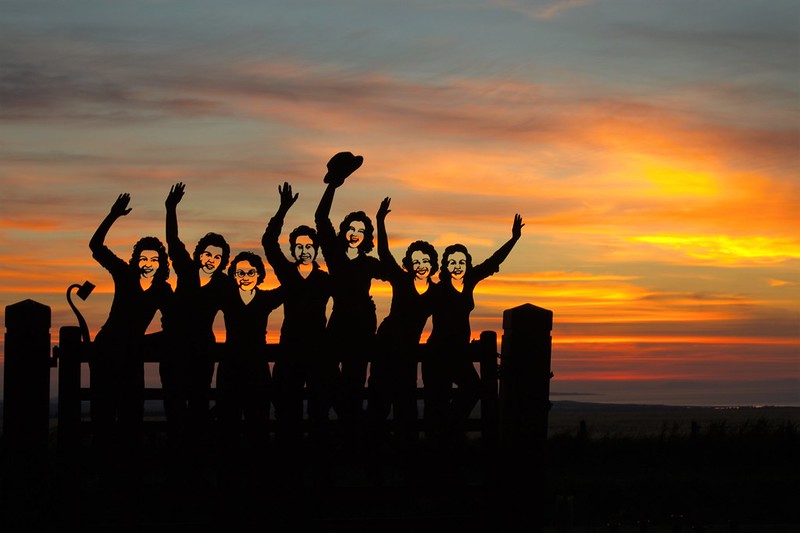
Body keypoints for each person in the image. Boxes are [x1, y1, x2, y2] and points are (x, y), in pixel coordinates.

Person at [88, 193, 173, 489]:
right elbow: (96, 247)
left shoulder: (163, 290)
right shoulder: (124, 274)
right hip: (108, 348)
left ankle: (125, 479)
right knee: (103, 413)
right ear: (136, 259)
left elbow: (174, 324)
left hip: (132, 353)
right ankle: (105, 477)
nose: (147, 262)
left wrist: (148, 340)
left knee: (129, 415)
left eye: (154, 258)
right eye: (143, 257)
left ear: (161, 262)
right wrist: (112, 215)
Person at [423, 214, 524, 455]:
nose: (457, 266)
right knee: (439, 401)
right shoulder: (436, 291)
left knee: (471, 390)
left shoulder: (469, 282)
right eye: (452, 262)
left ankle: (449, 432)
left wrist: (514, 239)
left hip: (459, 353)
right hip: (440, 352)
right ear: (445, 266)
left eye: (461, 262)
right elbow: (416, 311)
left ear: (467, 264)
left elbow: (492, 263)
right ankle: (439, 452)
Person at [262, 182, 334, 486]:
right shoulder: (288, 273)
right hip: (290, 350)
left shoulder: (326, 279)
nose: (304, 250)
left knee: (318, 414)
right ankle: (287, 472)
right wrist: (283, 209)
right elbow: (268, 242)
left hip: (318, 352)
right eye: (300, 246)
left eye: (309, 245)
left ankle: (318, 473)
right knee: (287, 415)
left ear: (316, 249)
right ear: (294, 249)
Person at [314, 152, 387, 451]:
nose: (354, 234)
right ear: (343, 233)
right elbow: (320, 218)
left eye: (361, 230)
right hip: (341, 320)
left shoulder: (369, 264)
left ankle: (352, 440)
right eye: (350, 229)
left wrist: (381, 223)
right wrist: (334, 185)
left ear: (366, 235)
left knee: (356, 381)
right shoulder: (335, 256)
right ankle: (343, 432)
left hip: (361, 323)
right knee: (328, 377)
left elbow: (391, 267)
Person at [365, 197, 439, 481]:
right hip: (386, 347)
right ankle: (374, 467)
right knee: (379, 404)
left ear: (432, 264)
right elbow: (384, 253)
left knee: (405, 410)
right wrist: (381, 221)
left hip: (408, 353)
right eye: (416, 260)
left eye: (426, 260)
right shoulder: (401, 279)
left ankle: (406, 467)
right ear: (409, 264)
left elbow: (448, 317)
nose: (421, 264)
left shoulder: (436, 292)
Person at [162, 182, 232, 479]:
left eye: (217, 256)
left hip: (202, 349)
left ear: (222, 260)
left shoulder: (224, 284)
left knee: (200, 404)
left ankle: (196, 464)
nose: (211, 259)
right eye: (207, 253)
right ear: (199, 253)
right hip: (175, 346)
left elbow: (237, 315)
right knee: (174, 405)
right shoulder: (186, 270)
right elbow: (172, 239)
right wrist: (171, 208)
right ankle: (178, 464)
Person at [217, 251, 282, 492]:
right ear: (234, 275)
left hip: (256, 370)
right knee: (229, 430)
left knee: (258, 429)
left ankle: (259, 482)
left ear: (259, 274)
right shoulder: (227, 297)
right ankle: (229, 484)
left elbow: (289, 284)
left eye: (251, 272)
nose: (245, 277)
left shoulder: (265, 299)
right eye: (240, 272)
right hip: (231, 369)